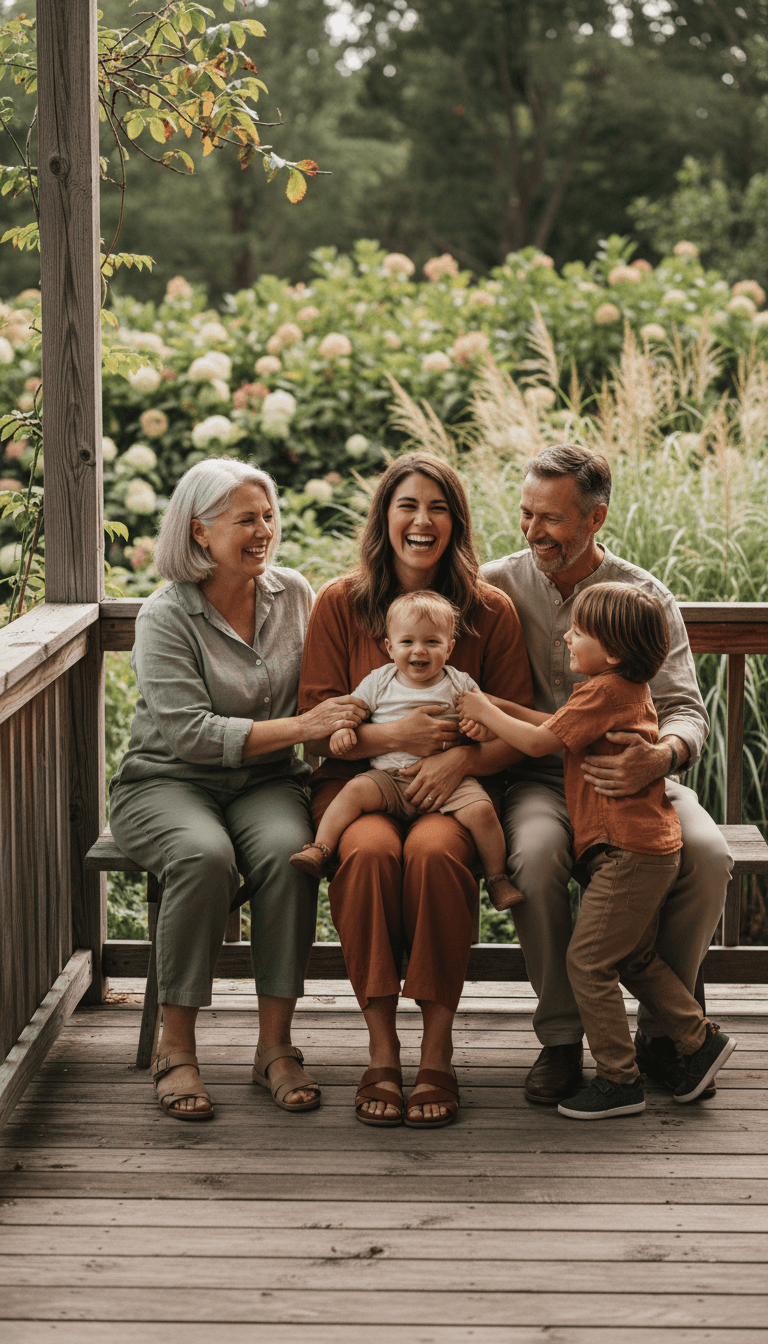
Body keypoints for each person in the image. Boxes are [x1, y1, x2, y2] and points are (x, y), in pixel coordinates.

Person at [109, 458, 367, 1121]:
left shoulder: (294, 593)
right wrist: (305, 724)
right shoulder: (166, 616)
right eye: (244, 520)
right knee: (202, 855)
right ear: (199, 532)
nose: (263, 531)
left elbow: (321, 688)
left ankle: (275, 1049)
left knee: (291, 852)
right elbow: (192, 736)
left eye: (268, 517)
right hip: (167, 782)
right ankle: (177, 1049)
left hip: (266, 783)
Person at [482, 444, 733, 1104]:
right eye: (526, 514)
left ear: (595, 519)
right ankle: (563, 1039)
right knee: (535, 858)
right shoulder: (495, 584)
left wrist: (663, 754)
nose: (533, 531)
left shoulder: (643, 595)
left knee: (708, 854)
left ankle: (663, 1039)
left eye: (551, 519)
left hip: (638, 781)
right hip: (538, 778)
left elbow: (684, 710)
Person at [298, 452, 533, 1129]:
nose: (422, 521)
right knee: (367, 856)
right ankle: (381, 1051)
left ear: (456, 523)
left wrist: (457, 764)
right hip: (359, 786)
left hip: (451, 792)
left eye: (438, 508)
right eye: (407, 506)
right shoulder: (340, 604)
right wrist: (394, 735)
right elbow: (317, 732)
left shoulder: (491, 611)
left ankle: (436, 1052)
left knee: (433, 856)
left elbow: (515, 729)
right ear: (385, 518)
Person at [290, 590, 523, 913]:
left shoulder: (460, 683)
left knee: (482, 811)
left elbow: (484, 717)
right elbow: (352, 710)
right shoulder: (379, 681)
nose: (419, 651)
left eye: (431, 642)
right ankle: (320, 848)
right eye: (407, 642)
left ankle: (497, 878)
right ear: (389, 647)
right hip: (389, 777)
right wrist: (344, 730)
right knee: (354, 790)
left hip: (448, 781)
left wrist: (478, 729)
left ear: (449, 648)